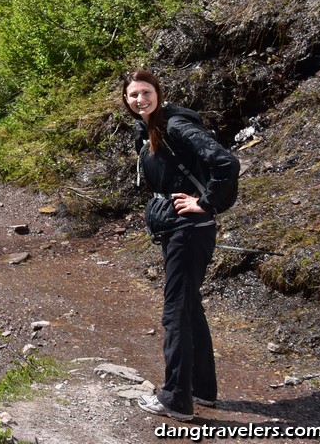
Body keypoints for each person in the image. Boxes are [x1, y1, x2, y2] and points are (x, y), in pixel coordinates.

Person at [121, 68, 240, 422]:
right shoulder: (149, 129)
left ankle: (175, 398)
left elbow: (225, 162)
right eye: (133, 96)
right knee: (189, 307)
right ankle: (201, 389)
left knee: (175, 312)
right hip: (178, 227)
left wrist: (206, 202)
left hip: (189, 229)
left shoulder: (175, 126)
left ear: (157, 92)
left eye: (145, 92)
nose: (140, 100)